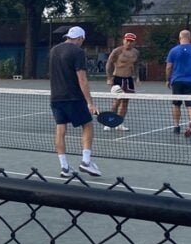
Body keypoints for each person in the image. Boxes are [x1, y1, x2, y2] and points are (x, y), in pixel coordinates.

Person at [48, 26, 100, 177]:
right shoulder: (78, 52)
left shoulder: (54, 50)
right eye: (82, 40)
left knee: (60, 130)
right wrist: (90, 102)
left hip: (56, 98)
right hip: (73, 97)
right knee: (88, 125)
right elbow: (82, 79)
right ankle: (86, 162)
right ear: (80, 38)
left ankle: (64, 167)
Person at [166, 29, 191, 138]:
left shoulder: (173, 51)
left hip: (177, 81)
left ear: (179, 38)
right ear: (190, 38)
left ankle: (176, 126)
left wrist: (168, 79)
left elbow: (169, 67)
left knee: (176, 104)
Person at [104, 32, 140, 131]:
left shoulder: (136, 52)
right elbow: (109, 64)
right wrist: (109, 77)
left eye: (131, 41)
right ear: (124, 40)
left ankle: (119, 123)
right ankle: (109, 122)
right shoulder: (117, 51)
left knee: (125, 103)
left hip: (128, 80)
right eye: (127, 40)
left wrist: (137, 77)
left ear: (134, 43)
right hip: (117, 78)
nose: (129, 43)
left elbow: (136, 65)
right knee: (116, 102)